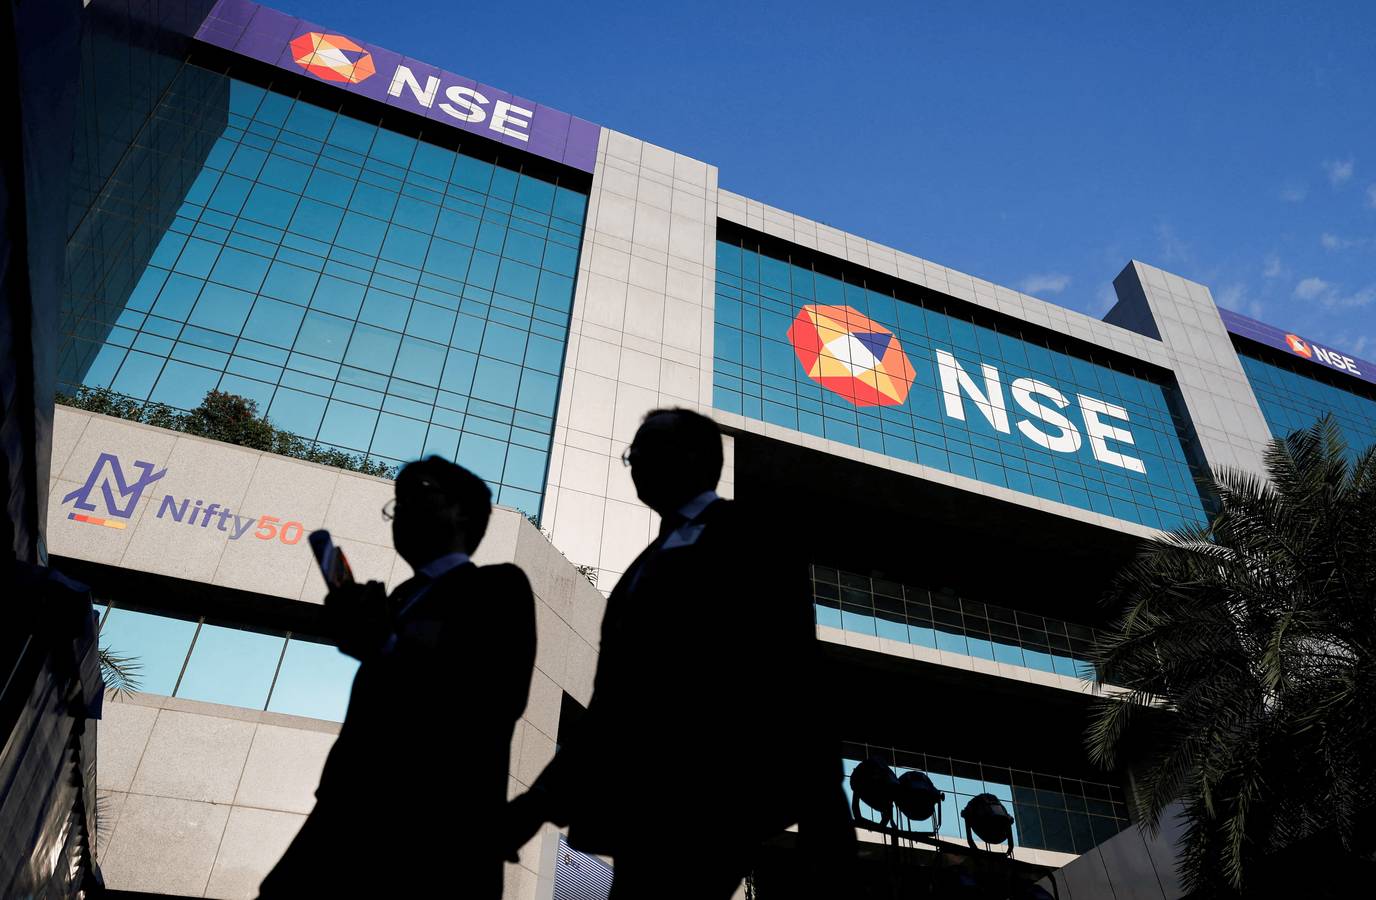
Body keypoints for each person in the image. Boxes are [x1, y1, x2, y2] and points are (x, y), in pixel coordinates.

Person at [504, 408, 854, 898]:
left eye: (644, 450)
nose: (633, 463)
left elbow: (794, 667)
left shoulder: (752, 532)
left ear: (691, 456)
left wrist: (825, 800)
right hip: (641, 809)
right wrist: (540, 801)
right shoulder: (638, 570)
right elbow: (613, 703)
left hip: (716, 797)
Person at [259, 457, 535, 899]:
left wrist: (385, 646)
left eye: (419, 494)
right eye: (398, 502)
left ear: (463, 513)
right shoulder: (399, 598)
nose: (403, 510)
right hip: (343, 816)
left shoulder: (498, 587)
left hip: (434, 833)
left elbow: (494, 698)